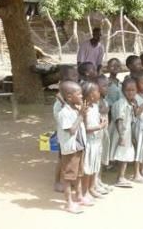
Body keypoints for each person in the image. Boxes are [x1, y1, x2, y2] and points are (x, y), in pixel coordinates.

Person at [56, 81, 87, 213]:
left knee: (79, 174)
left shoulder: (75, 108)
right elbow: (72, 130)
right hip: (70, 150)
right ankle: (69, 203)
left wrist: (81, 113)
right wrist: (81, 116)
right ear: (69, 97)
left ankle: (79, 196)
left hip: (79, 147)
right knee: (68, 176)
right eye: (79, 94)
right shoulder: (64, 113)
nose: (81, 96)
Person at [53, 65, 79, 193]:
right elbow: (64, 116)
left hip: (71, 133)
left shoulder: (70, 94)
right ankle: (57, 181)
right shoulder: (61, 99)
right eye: (73, 75)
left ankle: (70, 180)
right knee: (62, 158)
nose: (77, 77)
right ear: (63, 79)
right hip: (64, 134)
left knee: (70, 159)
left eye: (76, 74)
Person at [81, 82, 108, 205]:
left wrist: (100, 120)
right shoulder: (85, 109)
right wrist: (100, 126)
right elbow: (85, 128)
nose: (99, 93)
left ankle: (92, 188)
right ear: (91, 95)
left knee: (94, 166)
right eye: (97, 91)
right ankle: (84, 191)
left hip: (97, 142)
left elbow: (95, 119)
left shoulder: (95, 106)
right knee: (87, 169)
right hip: (89, 143)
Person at [109, 78, 137, 188]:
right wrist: (121, 136)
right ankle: (120, 178)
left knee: (123, 155)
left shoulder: (130, 103)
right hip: (121, 132)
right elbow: (119, 120)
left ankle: (121, 177)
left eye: (133, 90)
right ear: (122, 90)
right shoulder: (120, 104)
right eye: (128, 90)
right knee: (123, 155)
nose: (130, 92)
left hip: (126, 132)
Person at [95, 75, 113, 194]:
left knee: (101, 157)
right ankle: (95, 182)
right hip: (96, 134)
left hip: (104, 132)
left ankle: (99, 180)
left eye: (108, 85)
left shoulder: (104, 100)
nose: (107, 88)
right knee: (96, 158)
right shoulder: (93, 102)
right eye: (104, 86)